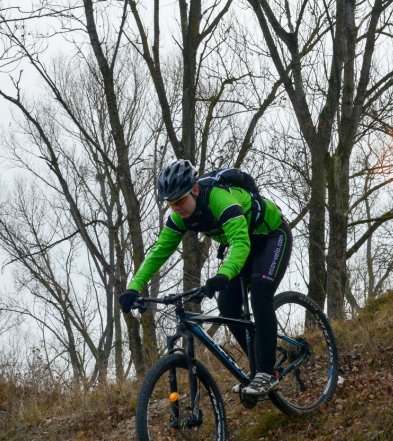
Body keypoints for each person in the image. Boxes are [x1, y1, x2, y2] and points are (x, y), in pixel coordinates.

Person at [119, 159, 292, 397]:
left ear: (196, 190)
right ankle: (258, 365)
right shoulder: (180, 217)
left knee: (261, 293)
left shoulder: (220, 200)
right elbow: (158, 253)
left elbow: (240, 243)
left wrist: (223, 275)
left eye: (180, 200)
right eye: (171, 203)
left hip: (272, 236)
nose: (177, 207)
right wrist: (133, 289)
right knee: (227, 307)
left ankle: (266, 372)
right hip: (247, 247)